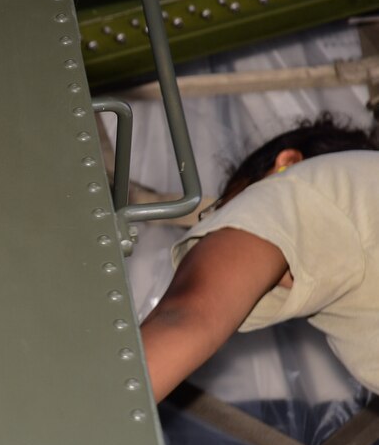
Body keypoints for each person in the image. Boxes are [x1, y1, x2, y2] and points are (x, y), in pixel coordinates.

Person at [140, 114, 379, 402]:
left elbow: (184, 318)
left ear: (287, 163)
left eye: (223, 210)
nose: (219, 232)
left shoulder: (298, 187)